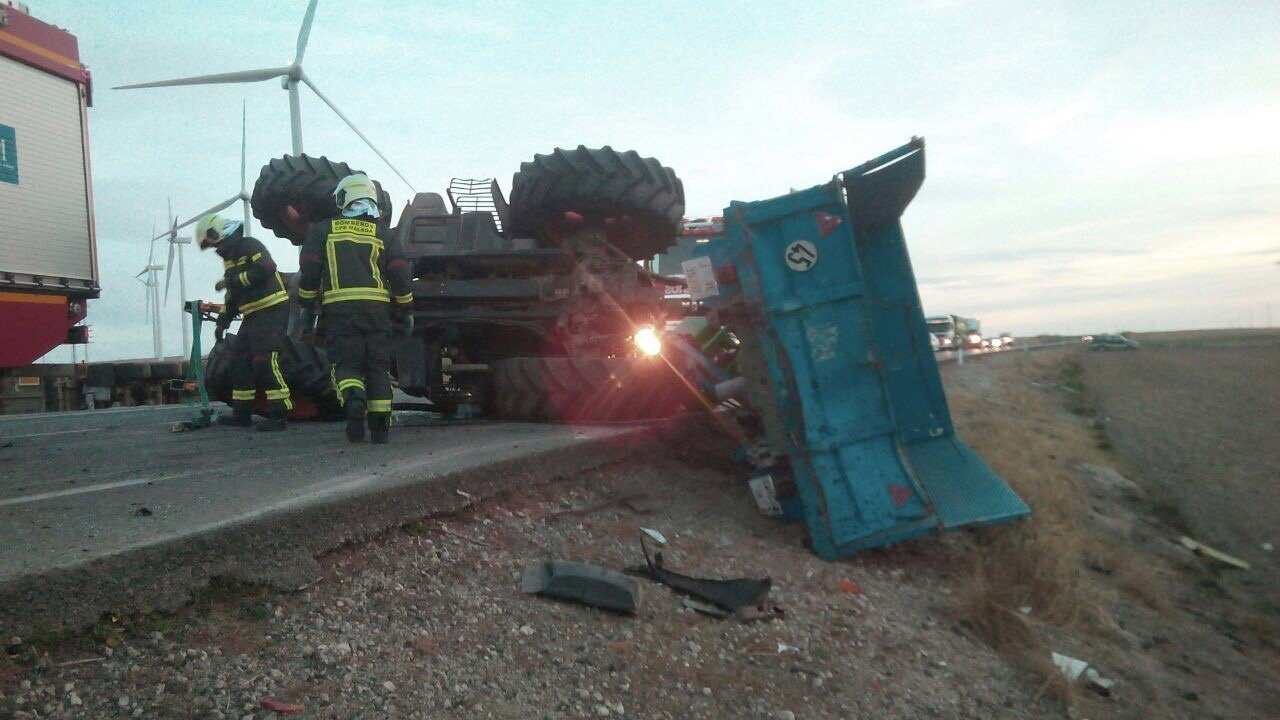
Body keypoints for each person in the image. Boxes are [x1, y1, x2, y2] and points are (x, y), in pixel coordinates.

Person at [297, 174, 413, 443]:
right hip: (378, 312)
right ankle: (381, 428)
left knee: (347, 365)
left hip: (340, 311)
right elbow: (399, 272)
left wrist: (306, 307)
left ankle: (354, 399)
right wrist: (406, 308)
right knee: (377, 368)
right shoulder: (384, 233)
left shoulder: (324, 230)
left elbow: (310, 270)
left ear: (345, 198)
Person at [195, 213, 293, 431]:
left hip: (271, 310)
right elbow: (234, 295)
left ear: (219, 232)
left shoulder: (249, 246)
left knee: (264, 361)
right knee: (239, 362)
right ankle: (242, 414)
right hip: (253, 315)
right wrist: (223, 321)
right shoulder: (230, 259)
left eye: (213, 242)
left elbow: (266, 268)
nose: (215, 248)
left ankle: (279, 415)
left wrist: (230, 281)